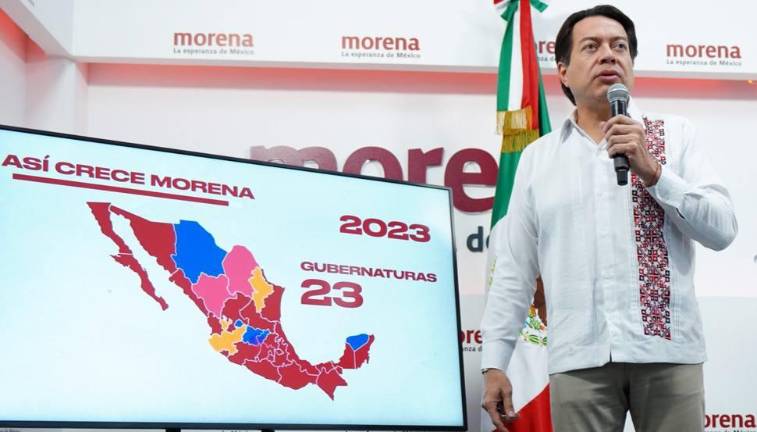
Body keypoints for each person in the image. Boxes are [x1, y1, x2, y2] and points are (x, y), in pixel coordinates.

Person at [480, 5, 738, 431]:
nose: (608, 55)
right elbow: (514, 268)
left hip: (668, 355)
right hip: (579, 360)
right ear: (563, 71)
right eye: (591, 46)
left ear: (632, 63)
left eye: (619, 46)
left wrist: (654, 172)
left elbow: (723, 229)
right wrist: (494, 362)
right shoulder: (538, 158)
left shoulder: (674, 135)